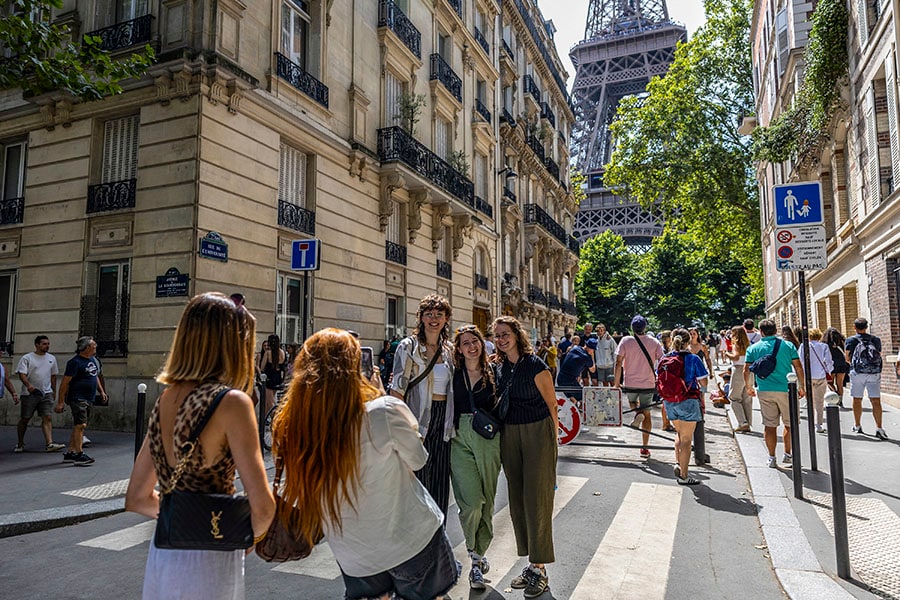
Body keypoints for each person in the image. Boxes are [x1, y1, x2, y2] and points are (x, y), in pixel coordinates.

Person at [273, 328, 459, 600]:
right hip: (410, 541)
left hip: (354, 554)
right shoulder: (381, 412)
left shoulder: (293, 428)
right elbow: (418, 459)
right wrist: (381, 396)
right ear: (352, 368)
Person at [125, 292, 275, 600]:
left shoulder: (167, 398)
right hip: (211, 560)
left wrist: (184, 519)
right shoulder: (232, 402)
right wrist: (246, 533)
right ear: (231, 343)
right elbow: (262, 507)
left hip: (165, 552)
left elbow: (137, 497)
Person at [492, 316, 558, 598]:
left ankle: (540, 568)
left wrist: (553, 441)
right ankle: (531, 564)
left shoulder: (535, 365)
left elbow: (552, 403)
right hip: (510, 434)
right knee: (517, 500)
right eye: (496, 336)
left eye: (505, 334)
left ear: (517, 335)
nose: (501, 339)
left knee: (537, 499)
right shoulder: (498, 366)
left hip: (537, 433)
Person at [389, 294, 455, 520]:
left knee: (440, 483)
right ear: (421, 318)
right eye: (429, 314)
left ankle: (439, 542)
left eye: (439, 315)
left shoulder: (449, 350)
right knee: (418, 481)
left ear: (446, 318)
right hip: (416, 420)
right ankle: (417, 544)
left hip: (443, 420)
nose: (434, 319)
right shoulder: (409, 346)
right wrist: (399, 428)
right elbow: (397, 389)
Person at [450, 325, 501, 590]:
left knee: (488, 501)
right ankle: (474, 554)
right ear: (458, 348)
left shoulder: (495, 372)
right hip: (459, 438)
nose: (471, 346)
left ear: (482, 344)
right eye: (465, 343)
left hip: (489, 440)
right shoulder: (452, 374)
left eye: (475, 341)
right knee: (470, 503)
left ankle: (479, 556)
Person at [744, 319, 805, 468]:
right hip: (786, 389)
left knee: (769, 426)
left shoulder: (753, 348)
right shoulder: (788, 345)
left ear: (761, 331)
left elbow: (746, 370)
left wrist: (749, 387)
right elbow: (798, 366)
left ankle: (771, 457)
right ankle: (788, 454)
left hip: (764, 390)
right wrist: (802, 385)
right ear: (775, 330)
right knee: (790, 425)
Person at [660, 329, 708, 486]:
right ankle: (684, 476)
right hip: (688, 400)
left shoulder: (665, 358)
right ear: (688, 342)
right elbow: (704, 383)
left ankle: (678, 463)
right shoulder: (693, 359)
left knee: (679, 434)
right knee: (687, 440)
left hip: (669, 402)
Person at [613, 315, 664, 458]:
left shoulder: (625, 340)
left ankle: (637, 414)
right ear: (645, 327)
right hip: (648, 383)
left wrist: (616, 383)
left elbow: (618, 363)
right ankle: (644, 447)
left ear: (632, 328)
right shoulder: (654, 342)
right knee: (647, 414)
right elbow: (662, 361)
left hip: (630, 383)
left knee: (633, 404)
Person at [55, 337, 107, 466]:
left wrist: (101, 391)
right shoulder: (75, 362)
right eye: (94, 345)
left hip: (89, 397)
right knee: (81, 425)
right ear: (87, 348)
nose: (96, 347)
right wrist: (61, 401)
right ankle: (79, 454)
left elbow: (95, 377)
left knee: (79, 425)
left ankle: (70, 452)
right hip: (77, 397)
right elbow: (65, 383)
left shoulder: (92, 361)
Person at [14, 335, 65, 453]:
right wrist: (29, 386)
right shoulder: (27, 358)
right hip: (29, 394)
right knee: (25, 418)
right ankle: (20, 442)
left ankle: (49, 443)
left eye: (48, 344)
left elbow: (53, 376)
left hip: (46, 392)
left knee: (47, 417)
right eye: (44, 344)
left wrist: (53, 391)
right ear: (37, 345)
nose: (47, 346)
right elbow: (22, 374)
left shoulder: (51, 358)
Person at [845, 318, 887, 439]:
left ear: (854, 327)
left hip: (857, 373)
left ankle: (857, 425)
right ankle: (879, 428)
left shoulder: (850, 340)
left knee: (857, 399)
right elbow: (878, 354)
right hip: (874, 373)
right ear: (866, 327)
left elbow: (847, 357)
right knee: (876, 400)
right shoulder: (875, 340)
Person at [800, 328, 833, 434]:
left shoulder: (803, 346)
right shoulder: (824, 346)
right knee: (819, 402)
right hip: (820, 376)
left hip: (807, 376)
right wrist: (829, 371)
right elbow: (828, 361)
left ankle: (811, 422)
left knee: (810, 401)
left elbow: (800, 360)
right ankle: (818, 424)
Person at [726, 326, 753, 433]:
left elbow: (736, 357)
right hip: (749, 370)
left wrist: (727, 354)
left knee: (734, 397)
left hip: (738, 370)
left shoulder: (736, 344)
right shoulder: (749, 345)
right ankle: (747, 422)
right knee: (746, 398)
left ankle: (742, 422)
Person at [555, 336, 595, 404]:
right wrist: (592, 356)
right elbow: (593, 370)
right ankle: (581, 413)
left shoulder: (575, 348)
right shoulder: (586, 357)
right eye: (593, 350)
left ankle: (575, 409)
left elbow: (575, 363)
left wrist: (578, 374)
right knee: (584, 398)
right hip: (570, 382)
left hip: (561, 378)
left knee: (573, 400)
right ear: (591, 349)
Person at [258, 334, 287, 413]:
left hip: (269, 379)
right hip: (278, 378)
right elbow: (284, 368)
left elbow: (262, 367)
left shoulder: (268, 353)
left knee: (270, 402)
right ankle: (268, 420)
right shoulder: (282, 353)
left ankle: (274, 418)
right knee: (271, 400)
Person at [824, 327, 848, 404]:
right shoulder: (842, 342)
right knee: (840, 384)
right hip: (841, 364)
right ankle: (840, 399)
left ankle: (835, 395)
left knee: (830, 383)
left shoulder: (825, 344)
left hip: (831, 365)